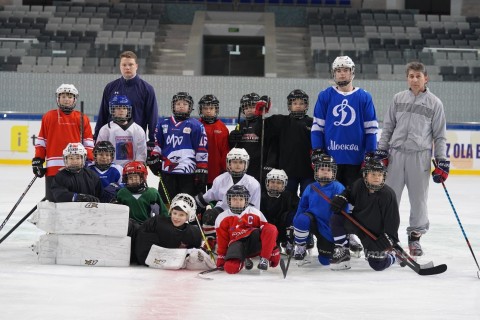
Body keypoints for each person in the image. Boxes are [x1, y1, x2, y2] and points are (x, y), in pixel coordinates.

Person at [375, 61, 449, 256]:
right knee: (390, 198)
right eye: (411, 76)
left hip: (420, 157)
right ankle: (388, 236)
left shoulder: (435, 103)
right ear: (407, 78)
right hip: (396, 154)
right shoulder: (398, 98)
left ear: (426, 78)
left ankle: (415, 238)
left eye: (418, 76)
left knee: (418, 200)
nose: (415, 79)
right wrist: (382, 151)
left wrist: (442, 161)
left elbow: (440, 135)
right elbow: (388, 127)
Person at [311, 56, 378, 189]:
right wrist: (317, 150)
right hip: (330, 160)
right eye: (338, 70)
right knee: (331, 200)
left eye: (345, 70)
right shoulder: (325, 95)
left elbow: (371, 129)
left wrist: (371, 152)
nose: (342, 73)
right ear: (333, 73)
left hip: (356, 159)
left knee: (353, 200)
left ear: (352, 72)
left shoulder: (364, 97)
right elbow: (318, 127)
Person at [329, 159, 400, 271]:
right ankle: (343, 251)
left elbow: (393, 220)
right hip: (357, 223)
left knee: (377, 265)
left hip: (374, 234)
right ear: (365, 175)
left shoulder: (388, 195)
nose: (377, 177)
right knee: (337, 219)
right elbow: (348, 192)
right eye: (373, 174)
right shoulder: (359, 185)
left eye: (380, 174)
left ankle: (393, 256)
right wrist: (342, 197)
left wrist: (390, 238)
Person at [32, 84, 94, 202]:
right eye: (63, 96)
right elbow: (41, 142)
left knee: (75, 201)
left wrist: (89, 161)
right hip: (53, 169)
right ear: (58, 98)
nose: (66, 99)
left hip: (76, 167)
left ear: (75, 99)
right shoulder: (49, 116)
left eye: (70, 96)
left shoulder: (82, 118)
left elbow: (88, 144)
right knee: (54, 200)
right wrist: (38, 160)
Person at [148, 92, 209, 202]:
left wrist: (201, 170)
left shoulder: (196, 125)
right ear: (173, 106)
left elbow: (201, 149)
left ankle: (188, 220)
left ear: (190, 107)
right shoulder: (163, 123)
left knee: (186, 204)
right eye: (178, 103)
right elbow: (158, 145)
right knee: (165, 203)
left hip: (188, 173)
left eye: (185, 104)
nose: (181, 106)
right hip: (167, 171)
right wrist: (154, 157)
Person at [195, 147, 261, 245]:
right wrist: (193, 203)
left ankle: (239, 240)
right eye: (234, 162)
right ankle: (212, 241)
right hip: (223, 211)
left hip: (243, 214)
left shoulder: (253, 183)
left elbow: (255, 209)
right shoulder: (220, 179)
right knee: (209, 215)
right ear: (228, 163)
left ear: (246, 164)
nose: (238, 165)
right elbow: (208, 196)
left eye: (241, 162)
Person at [291, 154, 345, 266]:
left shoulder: (338, 187)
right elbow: (302, 207)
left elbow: (344, 210)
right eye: (322, 169)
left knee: (325, 261)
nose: (325, 172)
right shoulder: (311, 187)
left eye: (329, 169)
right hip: (313, 221)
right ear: (316, 171)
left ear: (333, 172)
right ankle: (301, 246)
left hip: (328, 227)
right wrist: (296, 227)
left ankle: (333, 246)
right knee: (301, 220)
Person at [95, 51, 158, 143]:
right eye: (124, 65)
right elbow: (103, 115)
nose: (127, 67)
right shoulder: (110, 87)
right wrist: (97, 137)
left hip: (136, 140)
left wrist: (153, 141)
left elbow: (152, 118)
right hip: (111, 140)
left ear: (136, 66)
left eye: (130, 64)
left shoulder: (147, 89)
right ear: (120, 66)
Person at [215, 185, 280, 274]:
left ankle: (264, 259)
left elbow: (269, 233)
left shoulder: (255, 212)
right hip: (236, 245)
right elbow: (222, 240)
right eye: (234, 199)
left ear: (246, 200)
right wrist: (221, 257)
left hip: (254, 241)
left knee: (271, 228)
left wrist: (274, 250)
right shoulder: (222, 217)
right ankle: (242, 260)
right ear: (229, 200)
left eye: (241, 199)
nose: (237, 202)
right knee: (230, 268)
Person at [263, 89, 314, 196]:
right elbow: (261, 126)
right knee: (287, 199)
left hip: (308, 171)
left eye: (301, 103)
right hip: (286, 171)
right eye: (295, 103)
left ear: (306, 105)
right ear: (289, 105)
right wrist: (262, 111)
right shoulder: (280, 121)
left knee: (307, 198)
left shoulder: (313, 123)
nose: (298, 106)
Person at [129, 193, 203, 265]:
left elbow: (194, 251)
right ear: (171, 212)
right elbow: (141, 244)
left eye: (181, 215)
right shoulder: (156, 222)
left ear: (188, 217)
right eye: (174, 213)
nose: (176, 217)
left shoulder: (194, 233)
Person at [96, 95, 147, 167]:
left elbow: (141, 154)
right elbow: (99, 151)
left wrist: (136, 168)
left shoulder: (138, 130)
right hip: (111, 170)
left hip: (131, 172)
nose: (122, 110)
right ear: (112, 110)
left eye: (124, 108)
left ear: (128, 110)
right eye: (118, 108)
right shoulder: (105, 129)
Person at [260, 169, 298, 252]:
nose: (275, 185)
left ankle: (289, 242)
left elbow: (297, 208)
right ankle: (272, 243)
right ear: (267, 183)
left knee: (293, 217)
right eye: (272, 182)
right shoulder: (262, 197)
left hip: (284, 226)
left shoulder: (289, 195)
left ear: (284, 184)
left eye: (278, 183)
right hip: (269, 226)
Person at [228, 92, 264, 180]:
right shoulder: (240, 125)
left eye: (252, 107)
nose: (249, 110)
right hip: (243, 165)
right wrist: (232, 140)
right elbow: (233, 148)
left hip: (260, 166)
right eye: (246, 108)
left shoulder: (264, 124)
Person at [197, 94, 230, 190]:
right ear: (201, 110)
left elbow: (225, 151)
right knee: (199, 201)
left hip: (217, 173)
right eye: (205, 108)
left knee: (216, 202)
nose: (208, 111)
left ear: (216, 109)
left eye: (211, 108)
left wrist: (225, 169)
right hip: (199, 172)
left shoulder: (222, 128)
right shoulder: (196, 126)